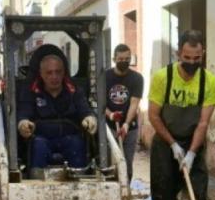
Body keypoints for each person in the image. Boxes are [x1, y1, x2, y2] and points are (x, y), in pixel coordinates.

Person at [148, 30, 215, 200]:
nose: (191, 63)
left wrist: (191, 153)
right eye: (186, 58)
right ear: (179, 53)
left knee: (198, 199)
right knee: (162, 199)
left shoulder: (209, 81)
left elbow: (203, 123)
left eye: (196, 59)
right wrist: (173, 145)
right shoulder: (162, 77)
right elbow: (154, 116)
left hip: (193, 143)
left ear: (202, 55)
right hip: (165, 143)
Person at [17, 45, 97, 176]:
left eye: (58, 71)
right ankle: (36, 181)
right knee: (38, 145)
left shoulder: (74, 90)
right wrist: (23, 124)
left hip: (70, 138)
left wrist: (89, 118)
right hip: (41, 138)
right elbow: (23, 113)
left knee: (77, 143)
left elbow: (85, 109)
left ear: (64, 72)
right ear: (41, 74)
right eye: (49, 72)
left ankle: (80, 181)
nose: (54, 76)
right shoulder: (30, 92)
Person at [105, 44, 143, 181]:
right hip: (109, 127)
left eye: (127, 59)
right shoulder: (105, 77)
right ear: (114, 59)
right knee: (110, 163)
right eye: (120, 59)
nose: (124, 62)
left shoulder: (137, 78)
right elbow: (100, 103)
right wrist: (110, 115)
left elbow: (134, 103)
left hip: (130, 128)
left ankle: (126, 191)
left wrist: (126, 124)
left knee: (127, 164)